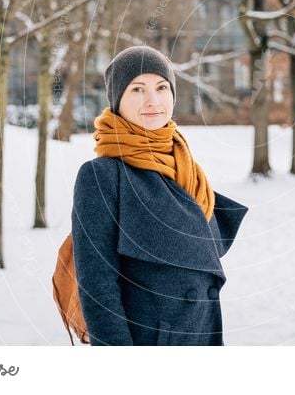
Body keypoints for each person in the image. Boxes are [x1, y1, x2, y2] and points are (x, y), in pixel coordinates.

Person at [71, 45, 249, 346]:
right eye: (137, 89)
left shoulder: (187, 168)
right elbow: (98, 286)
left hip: (202, 334)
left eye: (161, 87)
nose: (153, 100)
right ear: (118, 101)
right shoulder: (102, 175)